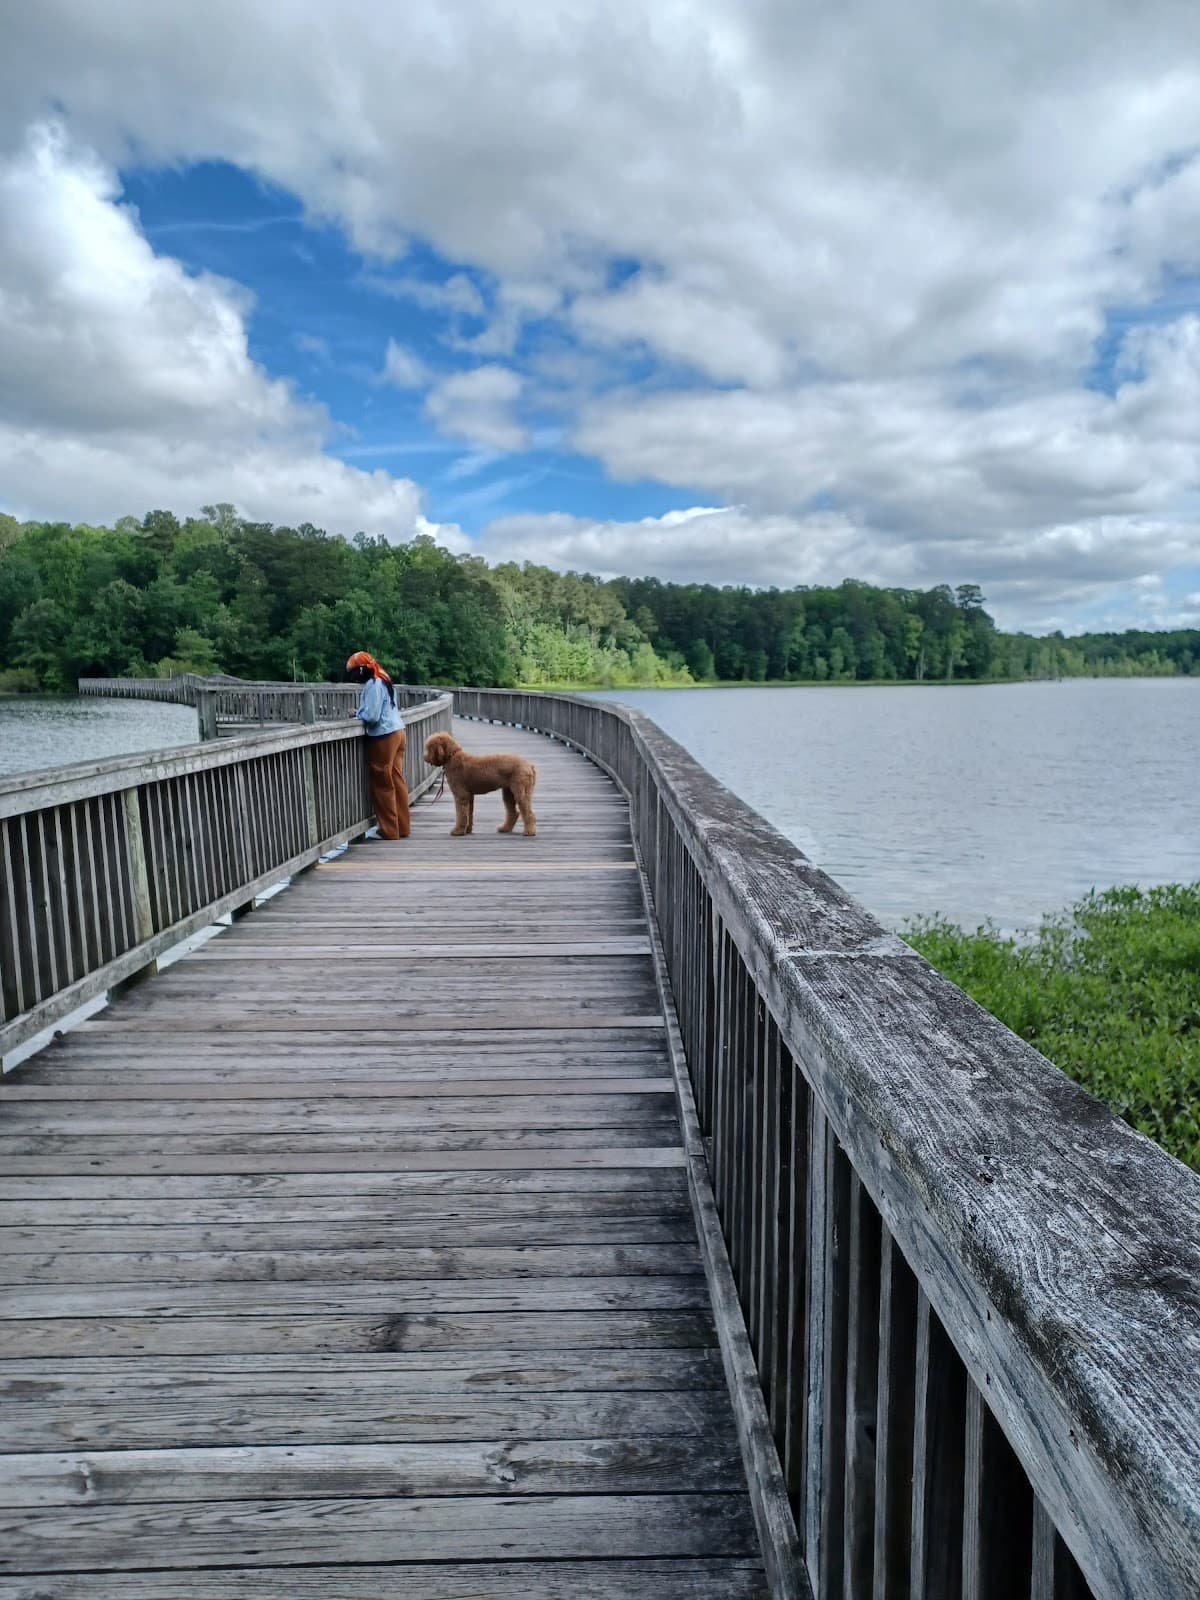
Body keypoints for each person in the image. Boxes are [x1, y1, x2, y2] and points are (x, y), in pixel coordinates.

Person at [346, 651, 410, 839]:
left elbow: (373, 716)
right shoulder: (384, 678)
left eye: (354, 671)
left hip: (384, 736)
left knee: (382, 783)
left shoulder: (373, 683)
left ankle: (389, 830)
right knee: (397, 780)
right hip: (398, 731)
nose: (353, 676)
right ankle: (403, 827)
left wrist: (357, 714)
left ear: (362, 669)